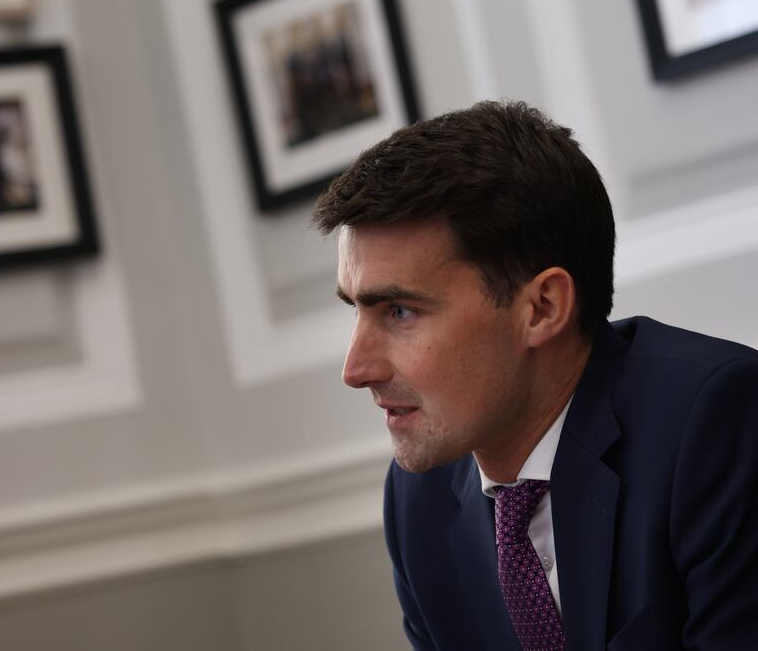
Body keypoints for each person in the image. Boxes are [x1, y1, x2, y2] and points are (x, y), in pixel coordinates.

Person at [312, 100, 758, 650]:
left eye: (400, 312)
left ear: (543, 307)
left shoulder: (717, 425)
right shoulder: (417, 497)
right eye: (354, 310)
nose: (356, 370)